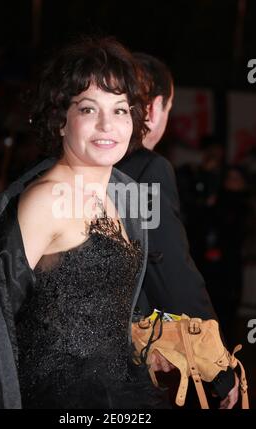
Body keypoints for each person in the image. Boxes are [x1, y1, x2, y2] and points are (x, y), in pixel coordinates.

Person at [0, 37, 170, 409]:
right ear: (60, 120)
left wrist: (140, 345)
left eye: (120, 110)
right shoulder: (45, 201)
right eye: (89, 109)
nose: (108, 124)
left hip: (120, 393)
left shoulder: (121, 195)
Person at [116, 53, 239, 409]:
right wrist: (217, 365)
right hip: (119, 365)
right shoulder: (147, 169)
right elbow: (167, 269)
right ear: (155, 108)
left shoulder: (73, 165)